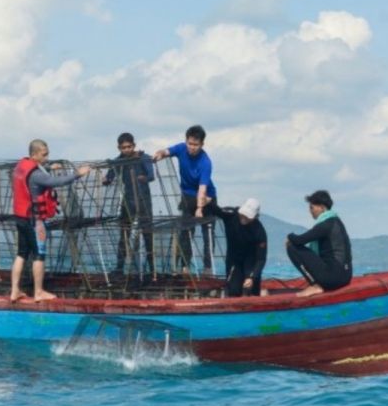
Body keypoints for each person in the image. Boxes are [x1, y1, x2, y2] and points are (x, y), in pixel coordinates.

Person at [10, 139, 90, 302]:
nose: (47, 157)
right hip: (35, 221)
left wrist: (48, 167)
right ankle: (38, 292)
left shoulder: (21, 166)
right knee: (39, 255)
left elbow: (33, 174)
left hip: (20, 218)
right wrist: (77, 174)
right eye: (44, 155)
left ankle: (14, 291)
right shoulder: (38, 175)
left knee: (21, 254)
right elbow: (56, 182)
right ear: (34, 154)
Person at [153, 124, 217, 273]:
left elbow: (203, 189)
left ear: (202, 144)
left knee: (208, 233)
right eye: (190, 143)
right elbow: (167, 151)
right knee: (186, 231)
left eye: (196, 144)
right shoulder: (181, 148)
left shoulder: (205, 162)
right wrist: (160, 153)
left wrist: (200, 209)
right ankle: (185, 265)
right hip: (187, 195)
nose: (192, 147)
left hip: (206, 197)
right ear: (186, 141)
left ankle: (207, 267)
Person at [102, 132, 155, 278]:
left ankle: (152, 269)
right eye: (123, 148)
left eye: (129, 147)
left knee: (147, 234)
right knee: (124, 234)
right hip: (128, 200)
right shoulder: (118, 161)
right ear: (119, 148)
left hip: (144, 200)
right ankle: (119, 268)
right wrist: (106, 180)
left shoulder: (143, 158)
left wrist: (144, 178)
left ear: (134, 145)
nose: (126, 150)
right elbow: (110, 177)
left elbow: (151, 175)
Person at [286, 190, 353, 297]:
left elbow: (299, 240)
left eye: (312, 207)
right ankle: (317, 283)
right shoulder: (336, 221)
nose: (310, 211)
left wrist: (289, 236)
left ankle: (315, 285)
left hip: (333, 278)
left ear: (322, 207)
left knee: (291, 246)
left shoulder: (326, 224)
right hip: (346, 277)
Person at [210, 198, 267, 297]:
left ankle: (258, 294)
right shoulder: (231, 215)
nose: (244, 217)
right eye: (243, 214)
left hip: (251, 259)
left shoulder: (259, 231)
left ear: (255, 217)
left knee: (250, 288)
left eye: (248, 216)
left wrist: (252, 277)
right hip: (234, 259)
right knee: (233, 291)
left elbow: (261, 259)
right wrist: (207, 202)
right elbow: (216, 210)